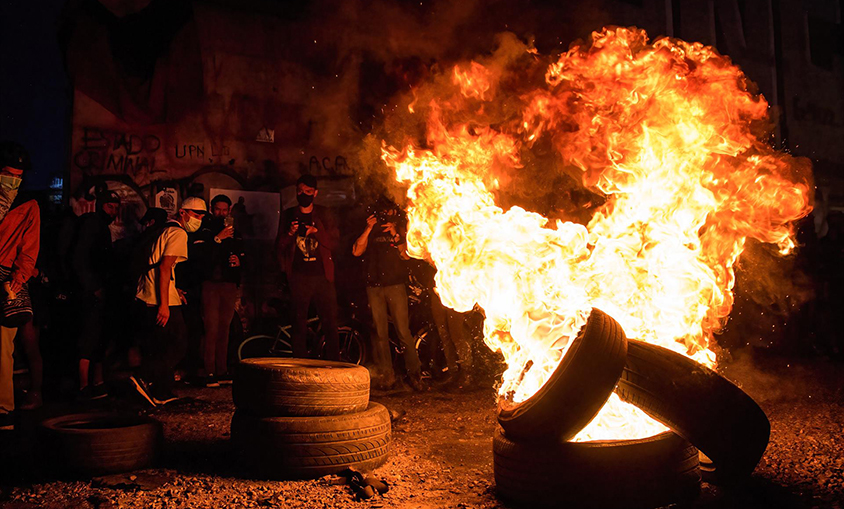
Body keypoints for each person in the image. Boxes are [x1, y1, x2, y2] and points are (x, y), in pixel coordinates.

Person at [129, 197, 206, 406]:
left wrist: (173, 289)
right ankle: (145, 378)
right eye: (196, 214)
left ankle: (159, 390)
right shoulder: (178, 233)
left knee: (162, 343)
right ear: (183, 212)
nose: (199, 219)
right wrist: (164, 303)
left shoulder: (165, 229)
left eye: (201, 216)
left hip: (149, 293)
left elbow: (160, 267)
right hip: (159, 298)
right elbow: (164, 267)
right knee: (179, 343)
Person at [352, 196, 425, 391]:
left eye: (390, 212)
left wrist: (395, 233)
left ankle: (415, 375)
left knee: (403, 331)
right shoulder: (371, 228)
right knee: (380, 332)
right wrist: (368, 228)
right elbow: (357, 251)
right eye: (383, 212)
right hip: (374, 287)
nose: (386, 216)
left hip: (395, 285)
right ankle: (387, 375)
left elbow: (406, 255)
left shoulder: (399, 228)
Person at [276, 175, 340, 361]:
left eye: (308, 192)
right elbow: (279, 246)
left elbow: (334, 243)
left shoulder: (324, 214)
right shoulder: (289, 214)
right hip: (299, 276)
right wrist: (290, 233)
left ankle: (333, 363)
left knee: (329, 321)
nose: (303, 195)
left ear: (315, 193)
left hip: (322, 276)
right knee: (298, 321)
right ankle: (300, 363)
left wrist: (316, 232)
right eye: (300, 191)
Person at [0, 142, 40, 430]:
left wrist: (19, 276)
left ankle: (4, 410)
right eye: (8, 174)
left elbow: (29, 248)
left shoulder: (28, 204)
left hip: (5, 278)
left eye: (18, 175)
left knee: (3, 347)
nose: (13, 180)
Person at [71, 189, 120, 400]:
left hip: (100, 290)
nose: (114, 212)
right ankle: (84, 385)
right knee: (89, 337)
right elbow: (80, 258)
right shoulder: (93, 225)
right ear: (102, 205)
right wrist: (93, 286)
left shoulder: (101, 226)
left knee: (100, 336)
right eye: (111, 206)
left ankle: (97, 383)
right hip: (91, 292)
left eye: (117, 208)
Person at [196, 194, 244, 386]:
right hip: (210, 284)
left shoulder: (235, 231)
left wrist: (239, 262)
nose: (221, 213)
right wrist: (217, 238)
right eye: (218, 209)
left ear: (230, 210)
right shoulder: (204, 229)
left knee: (225, 327)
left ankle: (222, 370)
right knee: (211, 327)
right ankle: (209, 372)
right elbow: (201, 257)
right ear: (211, 208)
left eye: (225, 210)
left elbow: (241, 253)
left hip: (228, 284)